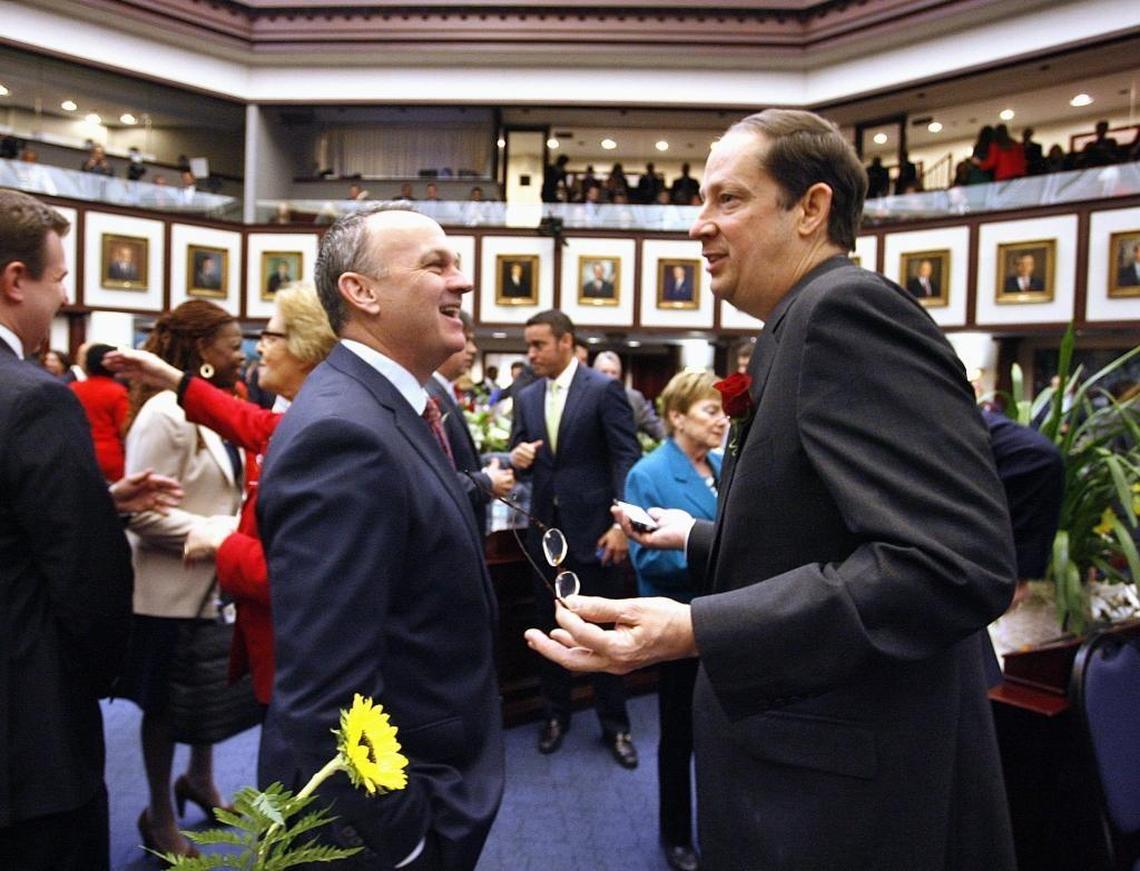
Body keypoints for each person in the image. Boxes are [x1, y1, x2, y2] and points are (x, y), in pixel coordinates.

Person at [525, 109, 1018, 870]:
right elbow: (823, 536)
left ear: (811, 209)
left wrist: (697, 630)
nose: (698, 226)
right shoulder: (800, 320)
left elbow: (951, 562)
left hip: (851, 800)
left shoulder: (845, 313)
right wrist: (691, 536)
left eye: (728, 200)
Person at [257, 206, 504, 869]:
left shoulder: (401, 406)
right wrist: (402, 836)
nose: (463, 280)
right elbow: (324, 694)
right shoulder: (346, 435)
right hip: (381, 829)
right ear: (360, 292)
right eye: (436, 264)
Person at [0, 188, 178, 871]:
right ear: (17, 281)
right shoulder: (36, 398)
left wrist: (100, 498)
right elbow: (91, 584)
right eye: (60, 280)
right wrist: (99, 675)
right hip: (27, 736)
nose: (61, 298)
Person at [106, 283, 337, 709]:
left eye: (270, 336)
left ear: (306, 345)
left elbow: (300, 577)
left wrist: (221, 540)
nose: (257, 349)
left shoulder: (326, 426)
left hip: (303, 658)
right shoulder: (314, 416)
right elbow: (249, 422)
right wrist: (170, 378)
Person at [119, 299, 247, 859]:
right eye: (235, 343)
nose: (242, 353)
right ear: (204, 352)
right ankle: (159, 815)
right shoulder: (163, 414)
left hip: (211, 589)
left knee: (206, 698)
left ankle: (199, 781)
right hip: (167, 592)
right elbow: (140, 512)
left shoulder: (212, 408)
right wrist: (221, 531)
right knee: (167, 709)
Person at [508, 309, 642, 768]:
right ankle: (555, 716)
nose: (531, 354)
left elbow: (627, 457)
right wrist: (518, 455)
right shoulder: (526, 397)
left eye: (538, 345)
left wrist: (621, 522)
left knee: (602, 632)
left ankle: (616, 726)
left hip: (596, 535)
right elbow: (519, 455)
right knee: (550, 628)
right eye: (528, 345)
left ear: (566, 343)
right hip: (545, 532)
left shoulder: (604, 390)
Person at [625, 369, 726, 871]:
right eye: (711, 411)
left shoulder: (726, 465)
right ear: (676, 416)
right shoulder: (649, 474)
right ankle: (676, 835)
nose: (722, 421)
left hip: (732, 622)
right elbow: (648, 560)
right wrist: (712, 554)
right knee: (679, 736)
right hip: (680, 624)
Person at [427, 309, 515, 531]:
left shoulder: (444, 391)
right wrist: (487, 482)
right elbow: (435, 479)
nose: (473, 350)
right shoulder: (430, 396)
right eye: (467, 340)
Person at [70, 343, 129, 481]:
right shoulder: (118, 392)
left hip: (77, 455)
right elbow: (125, 428)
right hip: (110, 459)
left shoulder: (72, 389)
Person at [592, 350, 666, 441]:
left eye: (613, 373)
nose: (609, 377)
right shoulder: (585, 396)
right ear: (594, 373)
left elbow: (656, 427)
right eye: (604, 372)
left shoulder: (633, 398)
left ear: (619, 375)